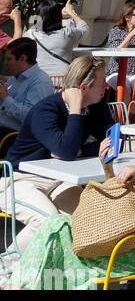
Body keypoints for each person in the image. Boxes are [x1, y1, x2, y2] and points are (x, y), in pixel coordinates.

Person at [8, 68, 135, 291]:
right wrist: (108, 169)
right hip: (132, 229)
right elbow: (130, 196)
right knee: (56, 226)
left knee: (68, 255)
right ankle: (17, 285)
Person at [1, 56, 113, 256]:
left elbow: (112, 140)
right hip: (17, 179)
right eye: (102, 81)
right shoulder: (46, 110)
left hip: (59, 179)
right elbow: (67, 152)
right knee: (47, 220)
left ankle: (56, 271)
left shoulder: (96, 106)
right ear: (84, 87)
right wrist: (75, 110)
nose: (107, 85)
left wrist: (81, 149)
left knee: (88, 214)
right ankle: (6, 269)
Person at [25, 0, 88, 78]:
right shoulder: (66, 34)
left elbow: (35, 25)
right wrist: (71, 12)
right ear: (58, 17)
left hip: (37, 81)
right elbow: (85, 28)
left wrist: (41, 13)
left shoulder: (30, 35)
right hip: (61, 82)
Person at [0, 38, 53, 134]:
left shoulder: (40, 82)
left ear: (22, 59)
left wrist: (5, 98)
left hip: (14, 136)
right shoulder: (15, 78)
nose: (5, 63)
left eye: (9, 59)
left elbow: (32, 117)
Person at [105, 1, 135, 79]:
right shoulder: (116, 31)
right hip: (117, 73)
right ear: (127, 17)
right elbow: (116, 54)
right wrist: (132, 34)